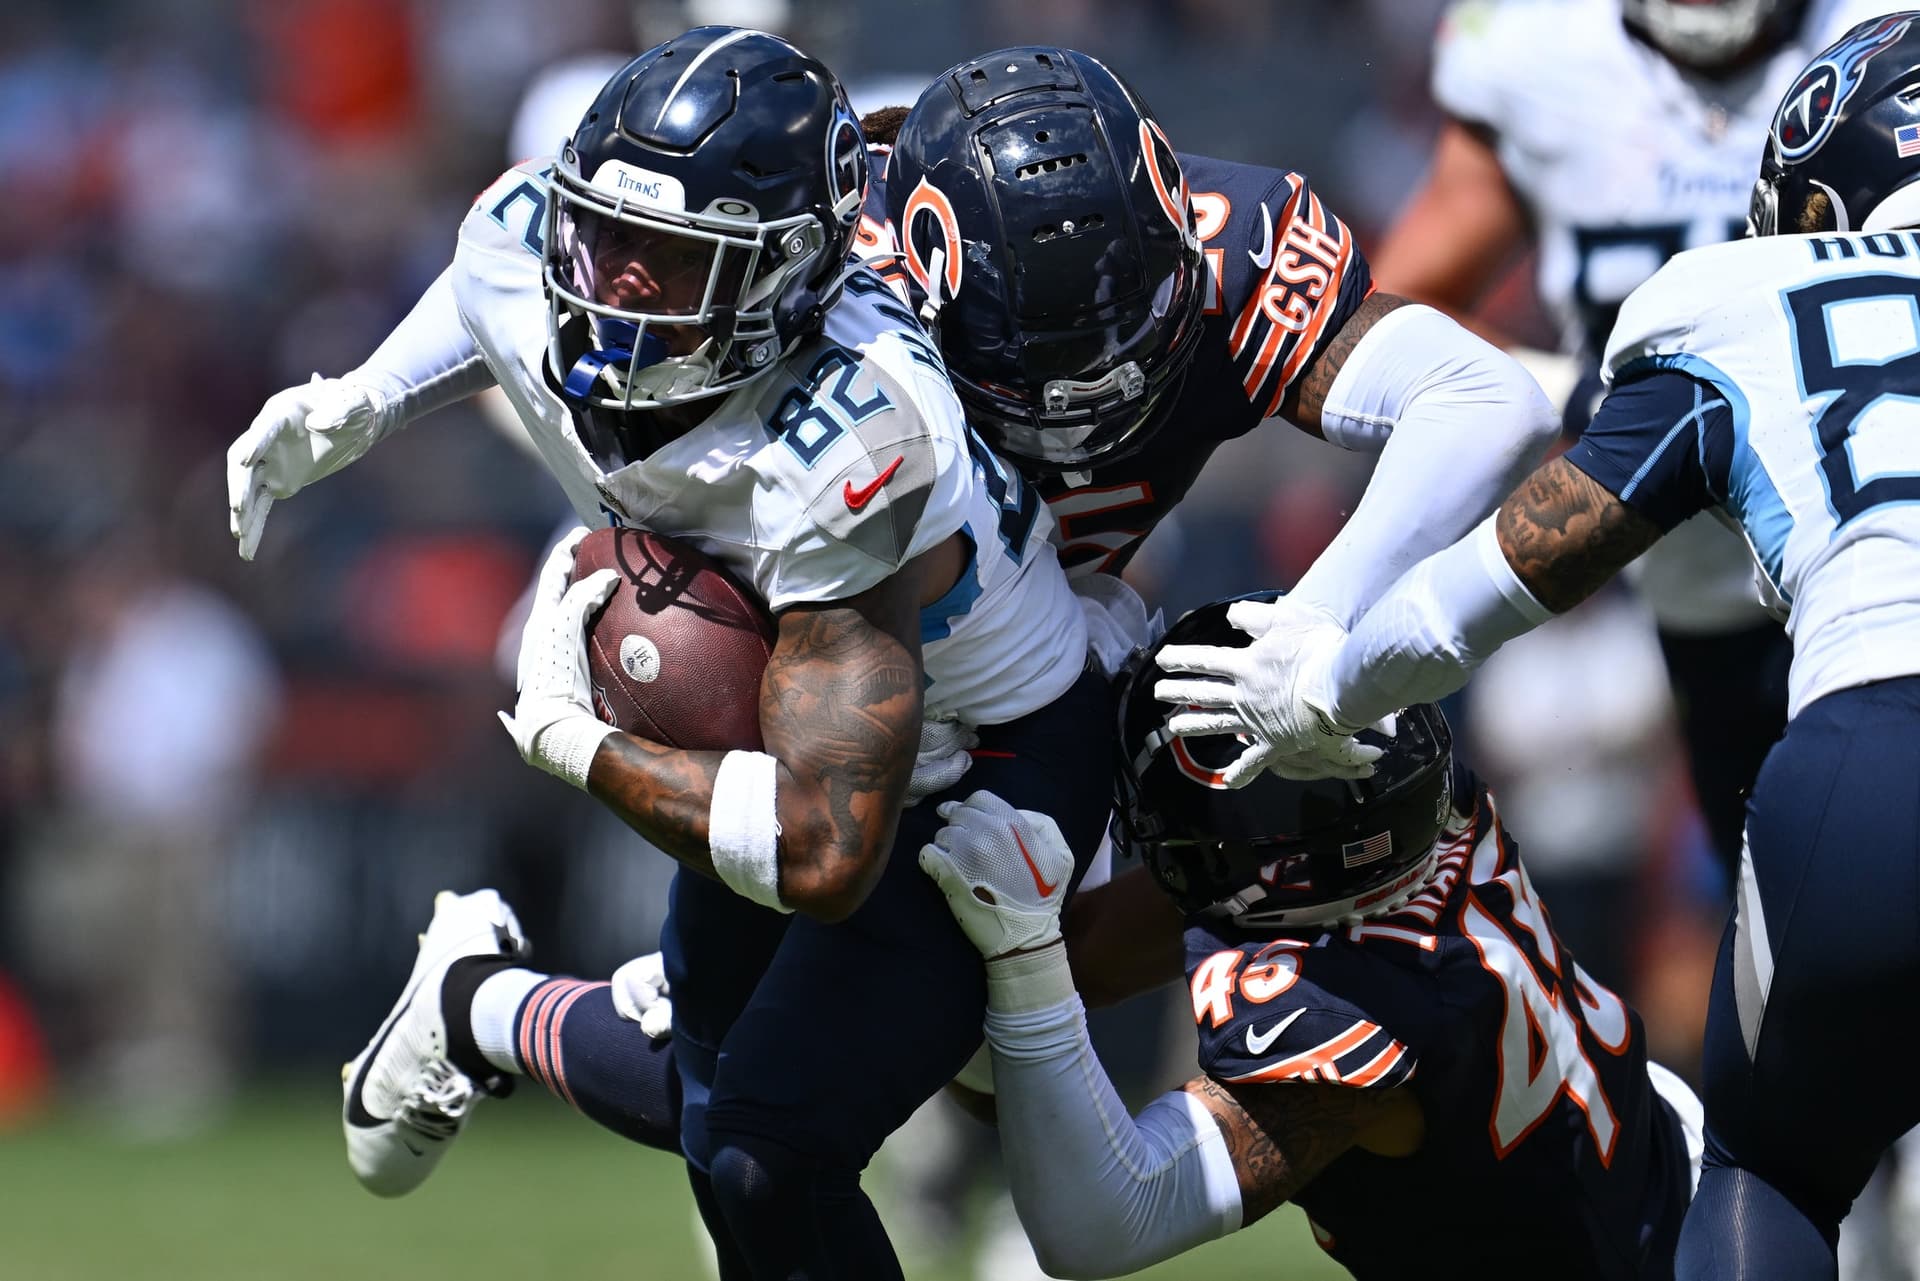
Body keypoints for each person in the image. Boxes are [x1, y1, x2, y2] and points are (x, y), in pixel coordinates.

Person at [226, 28, 1116, 1280]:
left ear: (786, 278)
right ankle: (479, 1005)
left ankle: (485, 1009)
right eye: (604, 239)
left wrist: (574, 743)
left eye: (676, 260)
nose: (616, 287)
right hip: (785, 692)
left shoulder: (854, 433)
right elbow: (489, 292)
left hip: (988, 751)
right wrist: (365, 398)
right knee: (719, 1104)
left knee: (769, 1147)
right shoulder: (533, 235)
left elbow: (825, 852)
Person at [1154, 15, 1920, 1277]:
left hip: (1873, 741)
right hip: (1816, 713)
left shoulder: (1740, 300)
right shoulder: (1545, 71)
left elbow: (1505, 577)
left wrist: (1325, 678)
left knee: (1768, 1170)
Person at [914, 595, 1701, 1279]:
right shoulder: (1398, 820)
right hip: (1645, 1164)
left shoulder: (1362, 1008)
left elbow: (1098, 1223)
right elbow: (1078, 966)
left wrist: (1020, 949)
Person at [1374, 0, 1885, 874]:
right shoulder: (1539, 50)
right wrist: (1573, 396)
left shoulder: (1883, 27)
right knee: (1775, 894)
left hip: (1881, 553)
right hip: (1702, 589)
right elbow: (1396, 309)